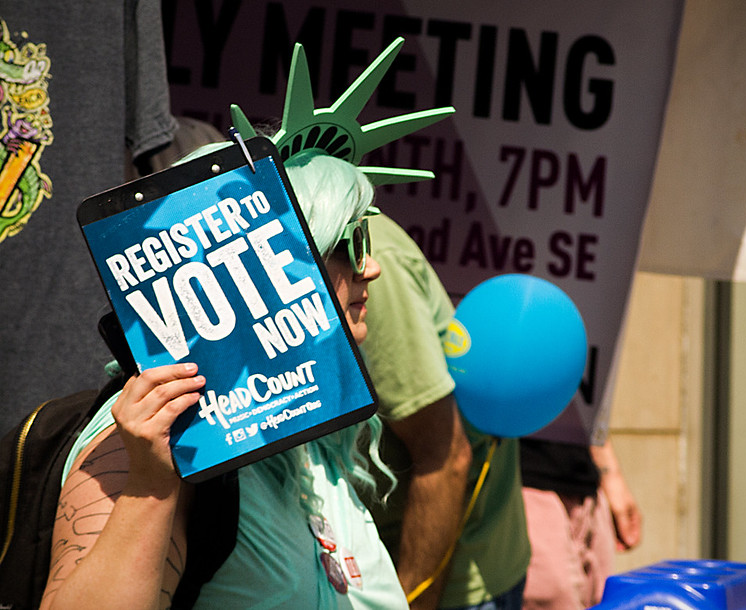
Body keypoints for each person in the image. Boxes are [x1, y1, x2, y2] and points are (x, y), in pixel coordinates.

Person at [39, 149, 410, 609]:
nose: (369, 266)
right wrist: (151, 485)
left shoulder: (296, 411)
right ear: (260, 263)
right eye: (348, 242)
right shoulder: (152, 440)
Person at [359, 213, 531, 610]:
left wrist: (411, 601)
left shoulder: (370, 264)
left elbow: (445, 456)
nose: (368, 271)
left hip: (451, 581)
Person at [520, 437, 642, 609]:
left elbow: (587, 411)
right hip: (528, 483)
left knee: (603, 599)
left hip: (586, 483)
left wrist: (611, 473)